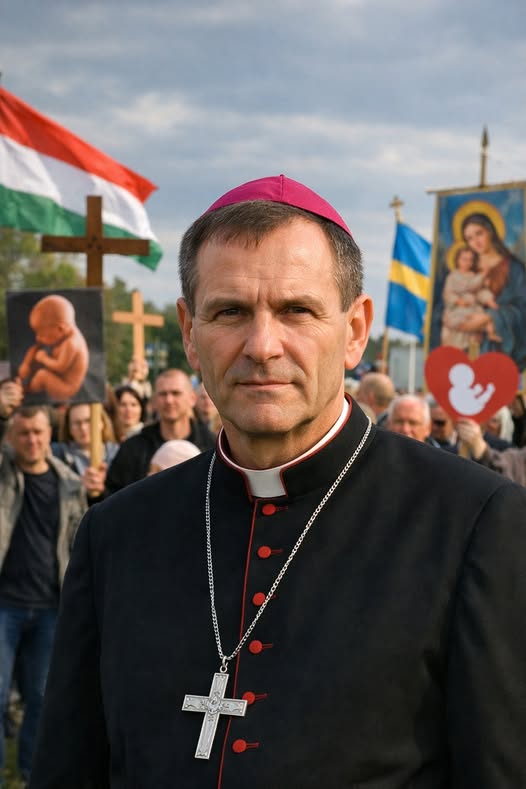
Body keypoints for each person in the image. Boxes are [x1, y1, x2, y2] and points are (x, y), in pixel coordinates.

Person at [30, 175, 526, 788]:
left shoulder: (474, 522)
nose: (262, 346)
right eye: (230, 312)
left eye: (296, 310)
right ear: (188, 331)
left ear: (355, 330)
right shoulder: (115, 533)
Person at [0, 405, 87, 785]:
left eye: (38, 432)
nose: (32, 440)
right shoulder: (4, 475)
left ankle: (31, 774)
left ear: (50, 433)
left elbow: (76, 540)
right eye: (23, 433)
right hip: (4, 605)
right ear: (10, 437)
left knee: (40, 697)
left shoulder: (69, 483)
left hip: (51, 607)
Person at [105, 368, 216, 493]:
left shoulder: (213, 447)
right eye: (163, 394)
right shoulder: (133, 448)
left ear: (192, 399)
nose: (169, 400)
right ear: (154, 400)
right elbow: (113, 495)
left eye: (176, 393)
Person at [453, 212, 526, 367]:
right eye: (469, 238)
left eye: (479, 233)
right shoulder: (466, 269)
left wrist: (490, 317)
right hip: (467, 344)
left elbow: (522, 306)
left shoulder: (513, 268)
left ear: (490, 231)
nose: (475, 242)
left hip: (501, 346)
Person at [18, 295, 89, 401]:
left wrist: (44, 359)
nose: (38, 338)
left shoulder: (71, 344)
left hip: (66, 388)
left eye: (42, 334)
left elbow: (60, 367)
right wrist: (26, 363)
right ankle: (26, 384)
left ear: (60, 329)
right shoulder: (61, 336)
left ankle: (28, 391)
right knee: (38, 356)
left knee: (42, 375)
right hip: (58, 377)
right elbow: (35, 348)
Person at [51, 403, 119, 504]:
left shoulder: (118, 454)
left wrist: (103, 491)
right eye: (77, 423)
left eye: (88, 421)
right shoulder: (57, 456)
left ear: (101, 423)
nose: (83, 428)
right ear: (69, 428)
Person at [441, 245, 500, 348]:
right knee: (458, 340)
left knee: (487, 319)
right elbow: (449, 293)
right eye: (464, 259)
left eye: (470, 260)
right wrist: (458, 301)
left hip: (473, 309)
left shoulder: (472, 276)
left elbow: (480, 292)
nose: (468, 262)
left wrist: (489, 300)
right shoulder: (453, 276)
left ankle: (490, 335)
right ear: (457, 260)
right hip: (458, 310)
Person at [456, 417, 526, 486]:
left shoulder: (506, 446)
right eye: (490, 420)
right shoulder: (515, 458)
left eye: (494, 421)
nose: (490, 424)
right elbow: (497, 466)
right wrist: (478, 445)